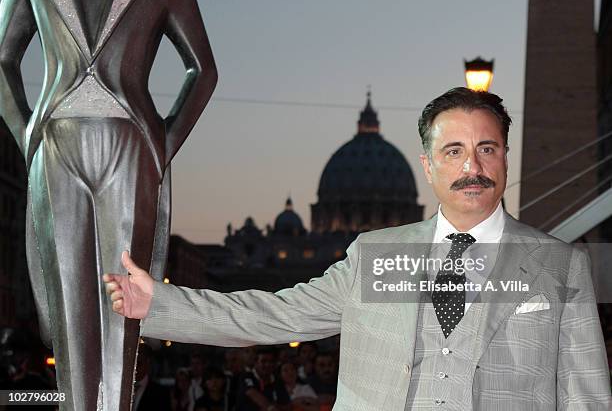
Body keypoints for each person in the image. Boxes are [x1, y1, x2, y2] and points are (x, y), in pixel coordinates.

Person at [104, 87, 612, 410]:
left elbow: (586, 397)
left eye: (487, 149)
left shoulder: (559, 264)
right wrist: (160, 304)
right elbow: (273, 315)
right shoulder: (376, 255)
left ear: (505, 157)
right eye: (453, 151)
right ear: (428, 166)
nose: (471, 167)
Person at [0, 0, 217, 409]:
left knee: (124, 303)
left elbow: (203, 69)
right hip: (57, 138)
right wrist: (26, 134)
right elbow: (2, 58)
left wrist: (164, 144)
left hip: (130, 139)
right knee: (70, 310)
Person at [133, 344, 172, 411]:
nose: (135, 368)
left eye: (139, 363)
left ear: (147, 362)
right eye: (133, 364)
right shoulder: (122, 386)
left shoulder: (160, 393)